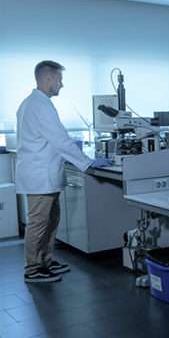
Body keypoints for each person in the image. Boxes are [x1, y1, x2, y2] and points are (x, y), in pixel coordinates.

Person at [16, 60, 111, 283]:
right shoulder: (38, 105)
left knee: (51, 219)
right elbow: (60, 140)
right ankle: (33, 269)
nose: (62, 84)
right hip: (39, 175)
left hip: (44, 173)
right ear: (48, 78)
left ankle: (46, 261)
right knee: (39, 222)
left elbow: (56, 140)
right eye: (59, 79)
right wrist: (87, 163)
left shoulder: (35, 103)